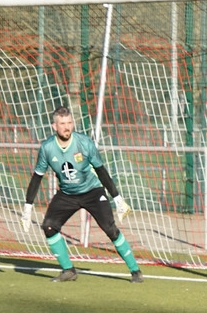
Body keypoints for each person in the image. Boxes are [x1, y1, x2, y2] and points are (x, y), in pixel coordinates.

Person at [20, 105, 144, 283]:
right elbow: (37, 177)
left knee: (110, 229)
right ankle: (68, 270)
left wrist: (117, 198)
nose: (67, 127)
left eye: (69, 123)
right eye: (62, 124)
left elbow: (101, 170)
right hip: (67, 194)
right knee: (49, 227)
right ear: (54, 126)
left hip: (92, 191)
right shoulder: (47, 147)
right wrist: (27, 207)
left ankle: (135, 271)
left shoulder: (84, 143)